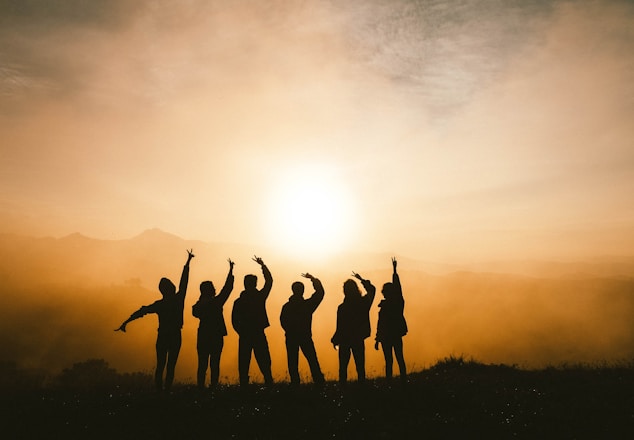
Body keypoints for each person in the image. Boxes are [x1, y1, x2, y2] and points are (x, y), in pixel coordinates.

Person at [115, 249, 194, 392]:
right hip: (175, 335)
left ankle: (159, 392)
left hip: (163, 335)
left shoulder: (160, 304)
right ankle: (166, 392)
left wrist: (126, 322)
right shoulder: (178, 299)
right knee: (170, 366)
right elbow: (184, 282)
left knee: (161, 365)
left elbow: (141, 311)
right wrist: (187, 263)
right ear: (171, 288)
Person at [192, 258, 235, 390]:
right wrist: (231, 271)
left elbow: (195, 312)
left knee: (202, 364)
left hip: (203, 335)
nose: (215, 289)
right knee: (214, 363)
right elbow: (227, 289)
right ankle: (213, 387)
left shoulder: (198, 305)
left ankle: (200, 387)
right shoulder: (216, 303)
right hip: (216, 335)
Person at [231, 256, 274, 386]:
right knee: (264, 361)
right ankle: (268, 383)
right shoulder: (259, 297)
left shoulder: (239, 301)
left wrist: (241, 331)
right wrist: (263, 265)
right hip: (257, 333)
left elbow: (234, 320)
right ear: (255, 284)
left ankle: (244, 385)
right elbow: (269, 281)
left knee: (244, 362)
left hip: (245, 335)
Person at [280, 273, 325, 386]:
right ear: (302, 291)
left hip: (291, 337)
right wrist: (313, 280)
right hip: (305, 337)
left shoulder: (287, 306)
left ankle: (295, 384)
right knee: (312, 360)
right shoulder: (307, 305)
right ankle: (319, 382)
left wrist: (290, 331)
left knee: (292, 362)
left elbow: (283, 321)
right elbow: (320, 293)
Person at [331, 272, 375, 384]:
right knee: (360, 367)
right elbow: (372, 290)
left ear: (344, 291)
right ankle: (362, 389)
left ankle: (342, 389)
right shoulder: (364, 303)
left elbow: (340, 326)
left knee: (343, 368)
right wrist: (362, 280)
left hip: (345, 340)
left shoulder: (342, 308)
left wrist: (335, 339)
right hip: (358, 338)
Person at [375, 257, 408, 381]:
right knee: (399, 358)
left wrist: (378, 339)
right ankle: (403, 381)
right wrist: (394, 271)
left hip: (386, 337)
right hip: (395, 334)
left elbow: (380, 324)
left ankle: (390, 383)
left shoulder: (390, 305)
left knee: (389, 361)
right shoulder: (398, 303)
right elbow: (398, 288)